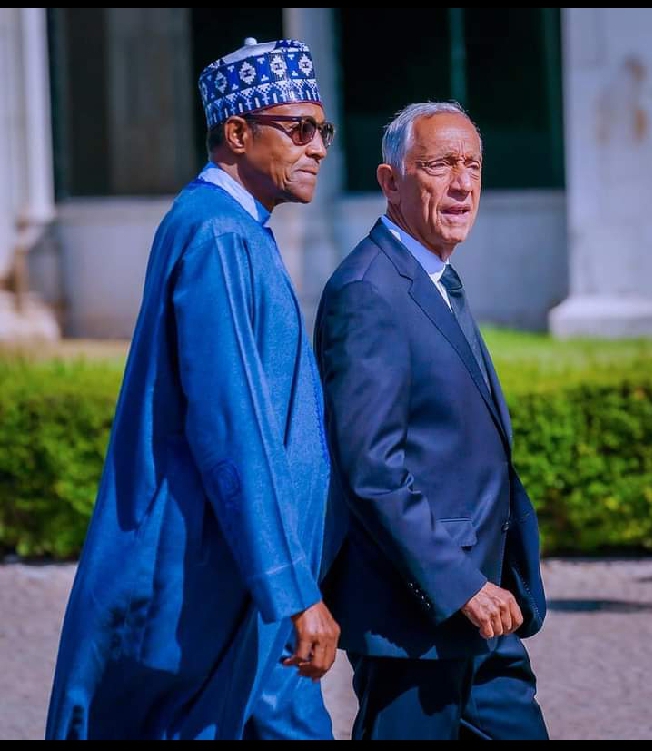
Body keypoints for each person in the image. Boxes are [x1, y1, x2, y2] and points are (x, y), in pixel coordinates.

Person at [46, 38, 340, 741]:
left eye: (322, 130)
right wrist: (293, 589)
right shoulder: (218, 235)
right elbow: (233, 425)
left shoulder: (234, 227)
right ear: (237, 133)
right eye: (297, 128)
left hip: (236, 575)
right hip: (206, 580)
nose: (319, 148)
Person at [314, 102, 549, 740]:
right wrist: (460, 585)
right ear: (391, 182)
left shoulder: (435, 278)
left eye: (472, 165)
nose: (462, 183)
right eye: (440, 165)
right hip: (416, 618)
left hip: (481, 612)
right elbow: (372, 469)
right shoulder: (368, 289)